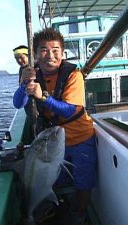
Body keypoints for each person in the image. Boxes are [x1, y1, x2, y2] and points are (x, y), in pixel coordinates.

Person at [13, 28, 97, 225]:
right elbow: (18, 103)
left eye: (55, 50)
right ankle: (52, 209)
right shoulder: (33, 74)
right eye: (43, 50)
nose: (50, 55)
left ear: (62, 53)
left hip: (80, 138)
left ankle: (79, 216)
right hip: (54, 141)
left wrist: (43, 97)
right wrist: (24, 83)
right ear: (35, 54)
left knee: (83, 182)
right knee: (54, 181)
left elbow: (70, 110)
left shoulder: (73, 75)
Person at [12, 45, 37, 146]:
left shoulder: (35, 68)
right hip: (29, 110)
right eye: (16, 58)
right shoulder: (21, 69)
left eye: (22, 57)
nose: (19, 60)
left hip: (37, 111)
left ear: (28, 56)